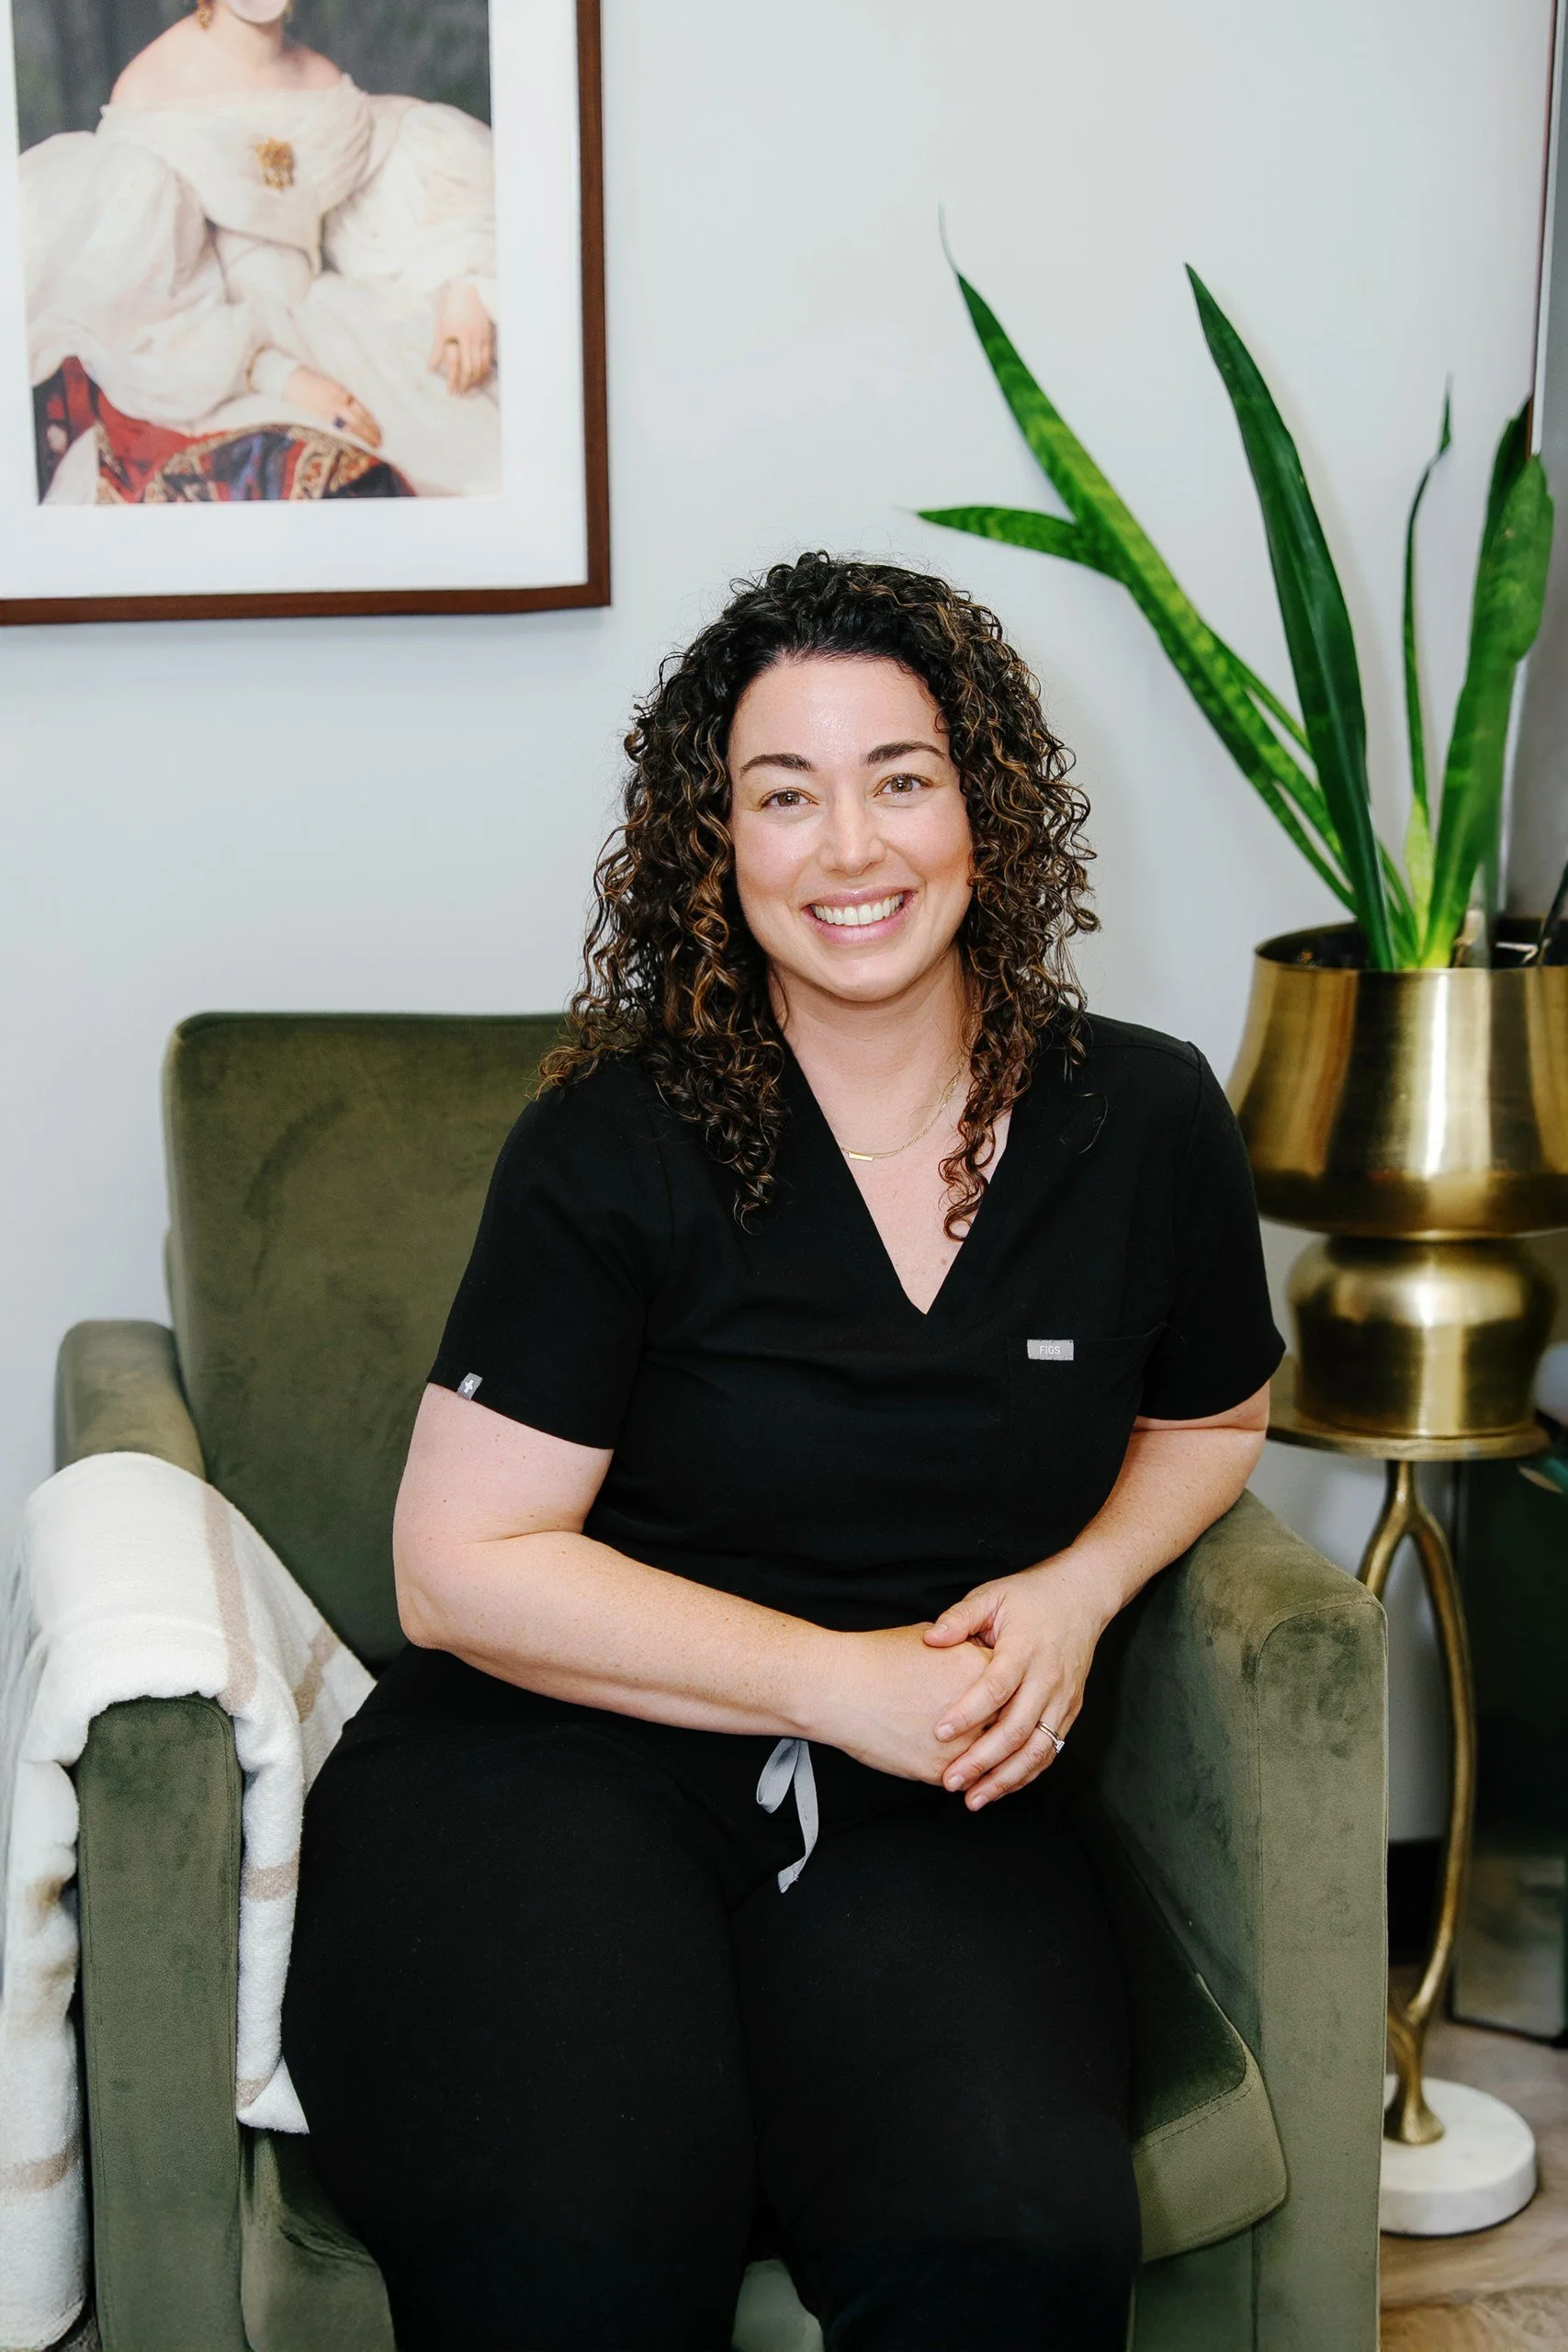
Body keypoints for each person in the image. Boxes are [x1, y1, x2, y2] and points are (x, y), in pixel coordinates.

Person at [283, 553, 1282, 2351]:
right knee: (571, 2244)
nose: (850, 848)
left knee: (1012, 2240)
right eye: (781, 791)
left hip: (933, 1780)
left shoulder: (1139, 1115)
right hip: (548, 1755)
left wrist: (1077, 1583)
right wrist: (833, 1683)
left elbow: (1210, 1417)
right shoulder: (614, 1136)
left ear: (983, 802)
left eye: (900, 775)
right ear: (713, 841)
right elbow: (458, 1569)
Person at [21, 0, 497, 502]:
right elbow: (146, 310)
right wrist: (279, 376)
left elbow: (400, 184)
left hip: (337, 329)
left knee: (472, 456)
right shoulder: (150, 88)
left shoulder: (321, 80)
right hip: (213, 362)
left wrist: (463, 279)